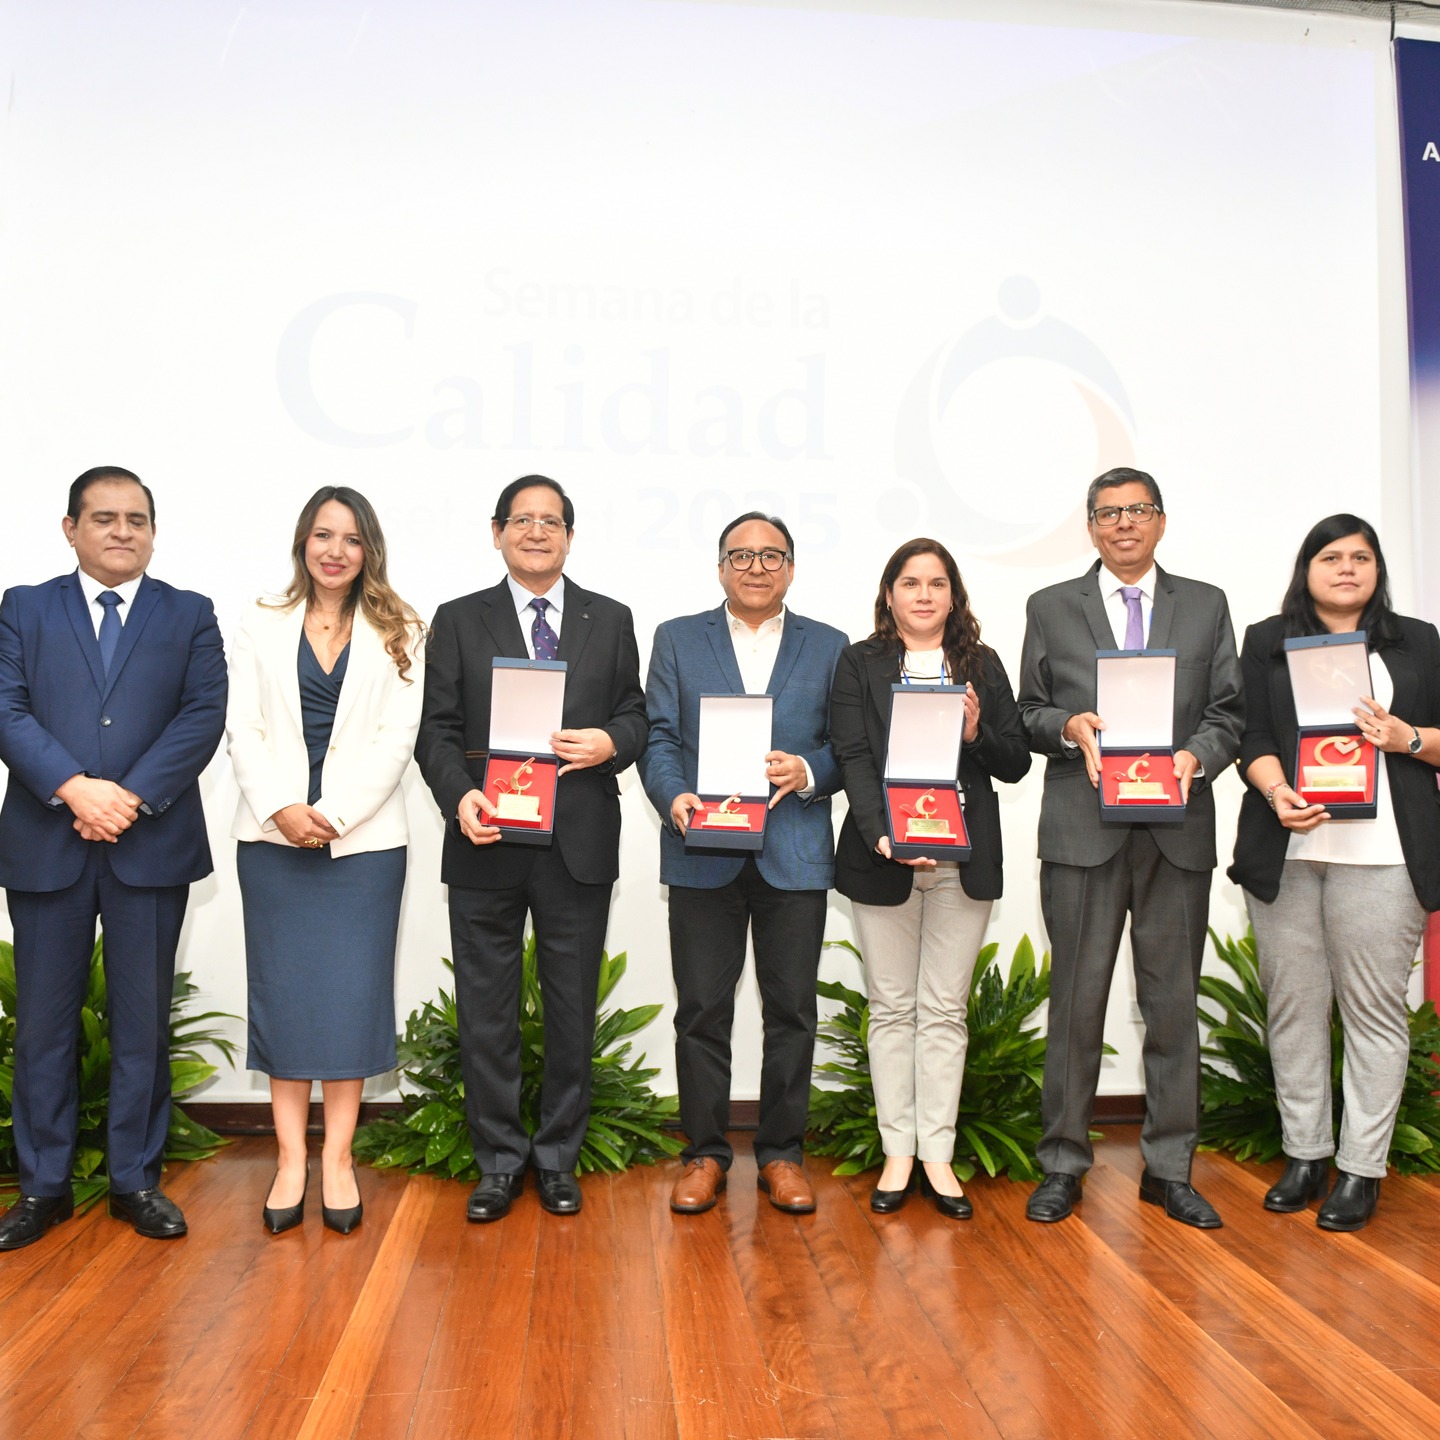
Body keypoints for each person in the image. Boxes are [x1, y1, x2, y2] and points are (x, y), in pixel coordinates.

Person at [0, 467, 227, 1250]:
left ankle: (135, 1180)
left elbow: (202, 715)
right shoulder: (24, 608)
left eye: (137, 519)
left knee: (141, 1026)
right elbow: (6, 708)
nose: (122, 531)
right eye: (104, 518)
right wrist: (74, 787)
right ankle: (43, 1187)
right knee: (43, 1029)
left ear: (153, 532)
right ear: (71, 529)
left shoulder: (189, 613)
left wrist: (126, 797)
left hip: (149, 842)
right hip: (47, 842)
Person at [414, 475, 647, 1222]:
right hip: (486, 837)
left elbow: (636, 714)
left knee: (571, 1008)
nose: (537, 532)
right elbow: (437, 729)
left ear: (570, 536)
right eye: (522, 520)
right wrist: (459, 796)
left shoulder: (611, 619)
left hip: (577, 841)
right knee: (487, 1011)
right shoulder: (458, 619)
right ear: (497, 532)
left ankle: (556, 1159)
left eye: (552, 521)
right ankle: (498, 1162)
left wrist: (611, 742)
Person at [1017, 467, 1243, 1229]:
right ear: (1090, 526)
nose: (1123, 524)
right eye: (1108, 513)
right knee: (1075, 1005)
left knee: (1172, 1006)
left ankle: (1170, 1170)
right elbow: (1028, 711)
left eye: (1137, 510)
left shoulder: (1206, 604)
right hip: (1082, 830)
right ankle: (1062, 1165)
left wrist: (1196, 757)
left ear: (1161, 521)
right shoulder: (1050, 606)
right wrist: (1068, 726)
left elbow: (1229, 712)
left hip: (1176, 830)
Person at [1228, 515, 1440, 1232]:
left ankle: (1361, 1169)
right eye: (1331, 557)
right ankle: (1306, 1155)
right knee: (1293, 1008)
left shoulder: (1418, 641)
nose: (1347, 568)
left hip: (1385, 854)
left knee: (1373, 1012)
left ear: (1377, 569)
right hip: (1288, 851)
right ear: (1307, 569)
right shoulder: (1267, 639)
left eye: (1361, 557)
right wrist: (1275, 791)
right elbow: (1252, 735)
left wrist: (1407, 737)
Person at [227, 486, 424, 1236]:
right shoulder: (260, 621)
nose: (335, 550)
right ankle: (290, 1161)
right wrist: (283, 807)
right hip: (272, 840)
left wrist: (335, 816)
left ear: (369, 549)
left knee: (349, 1000)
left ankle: (337, 1160)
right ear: (302, 544)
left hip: (364, 846)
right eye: (322, 535)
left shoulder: (402, 628)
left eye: (350, 538)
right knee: (285, 997)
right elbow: (242, 727)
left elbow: (397, 738)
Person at [640, 512, 847, 1216]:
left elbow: (848, 745)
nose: (757, 567)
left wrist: (809, 770)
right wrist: (673, 796)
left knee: (792, 1011)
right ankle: (703, 1154)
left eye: (771, 556)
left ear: (790, 567)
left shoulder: (829, 645)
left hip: (794, 851)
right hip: (703, 850)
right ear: (721, 566)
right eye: (742, 555)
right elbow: (659, 736)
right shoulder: (677, 638)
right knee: (702, 1010)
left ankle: (782, 1155)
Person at [830, 539, 1031, 1218]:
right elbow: (853, 756)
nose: (923, 595)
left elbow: (1015, 761)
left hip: (962, 859)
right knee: (891, 1007)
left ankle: (937, 1157)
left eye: (936, 583)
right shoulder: (859, 662)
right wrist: (880, 833)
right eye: (910, 583)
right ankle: (898, 1153)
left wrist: (976, 734)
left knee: (944, 1010)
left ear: (954, 595)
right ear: (889, 594)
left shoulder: (982, 664)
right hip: (883, 854)